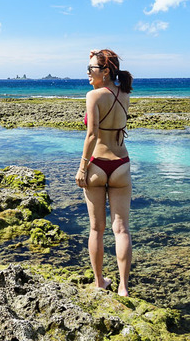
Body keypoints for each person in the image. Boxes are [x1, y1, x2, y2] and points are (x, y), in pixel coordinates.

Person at [75, 48, 133, 297]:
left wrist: (82, 167)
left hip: (97, 164)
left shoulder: (93, 95)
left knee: (96, 229)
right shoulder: (125, 94)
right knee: (121, 230)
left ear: (106, 71)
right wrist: (97, 55)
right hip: (121, 164)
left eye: (92, 69)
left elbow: (92, 135)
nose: (88, 73)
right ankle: (123, 287)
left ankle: (99, 282)